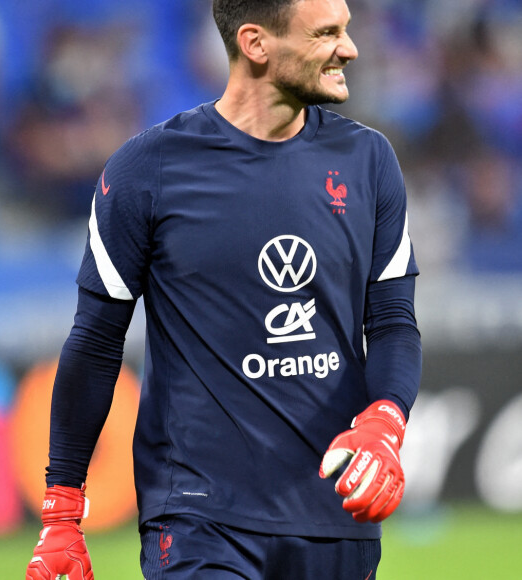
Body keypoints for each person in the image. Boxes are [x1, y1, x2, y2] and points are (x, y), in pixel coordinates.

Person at [26, 0, 422, 578]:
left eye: (347, 30)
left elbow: (391, 321)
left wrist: (386, 421)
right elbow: (94, 344)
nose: (350, 49)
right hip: (199, 521)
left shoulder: (370, 161)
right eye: (327, 34)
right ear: (257, 44)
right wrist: (62, 511)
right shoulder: (148, 171)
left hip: (335, 513)